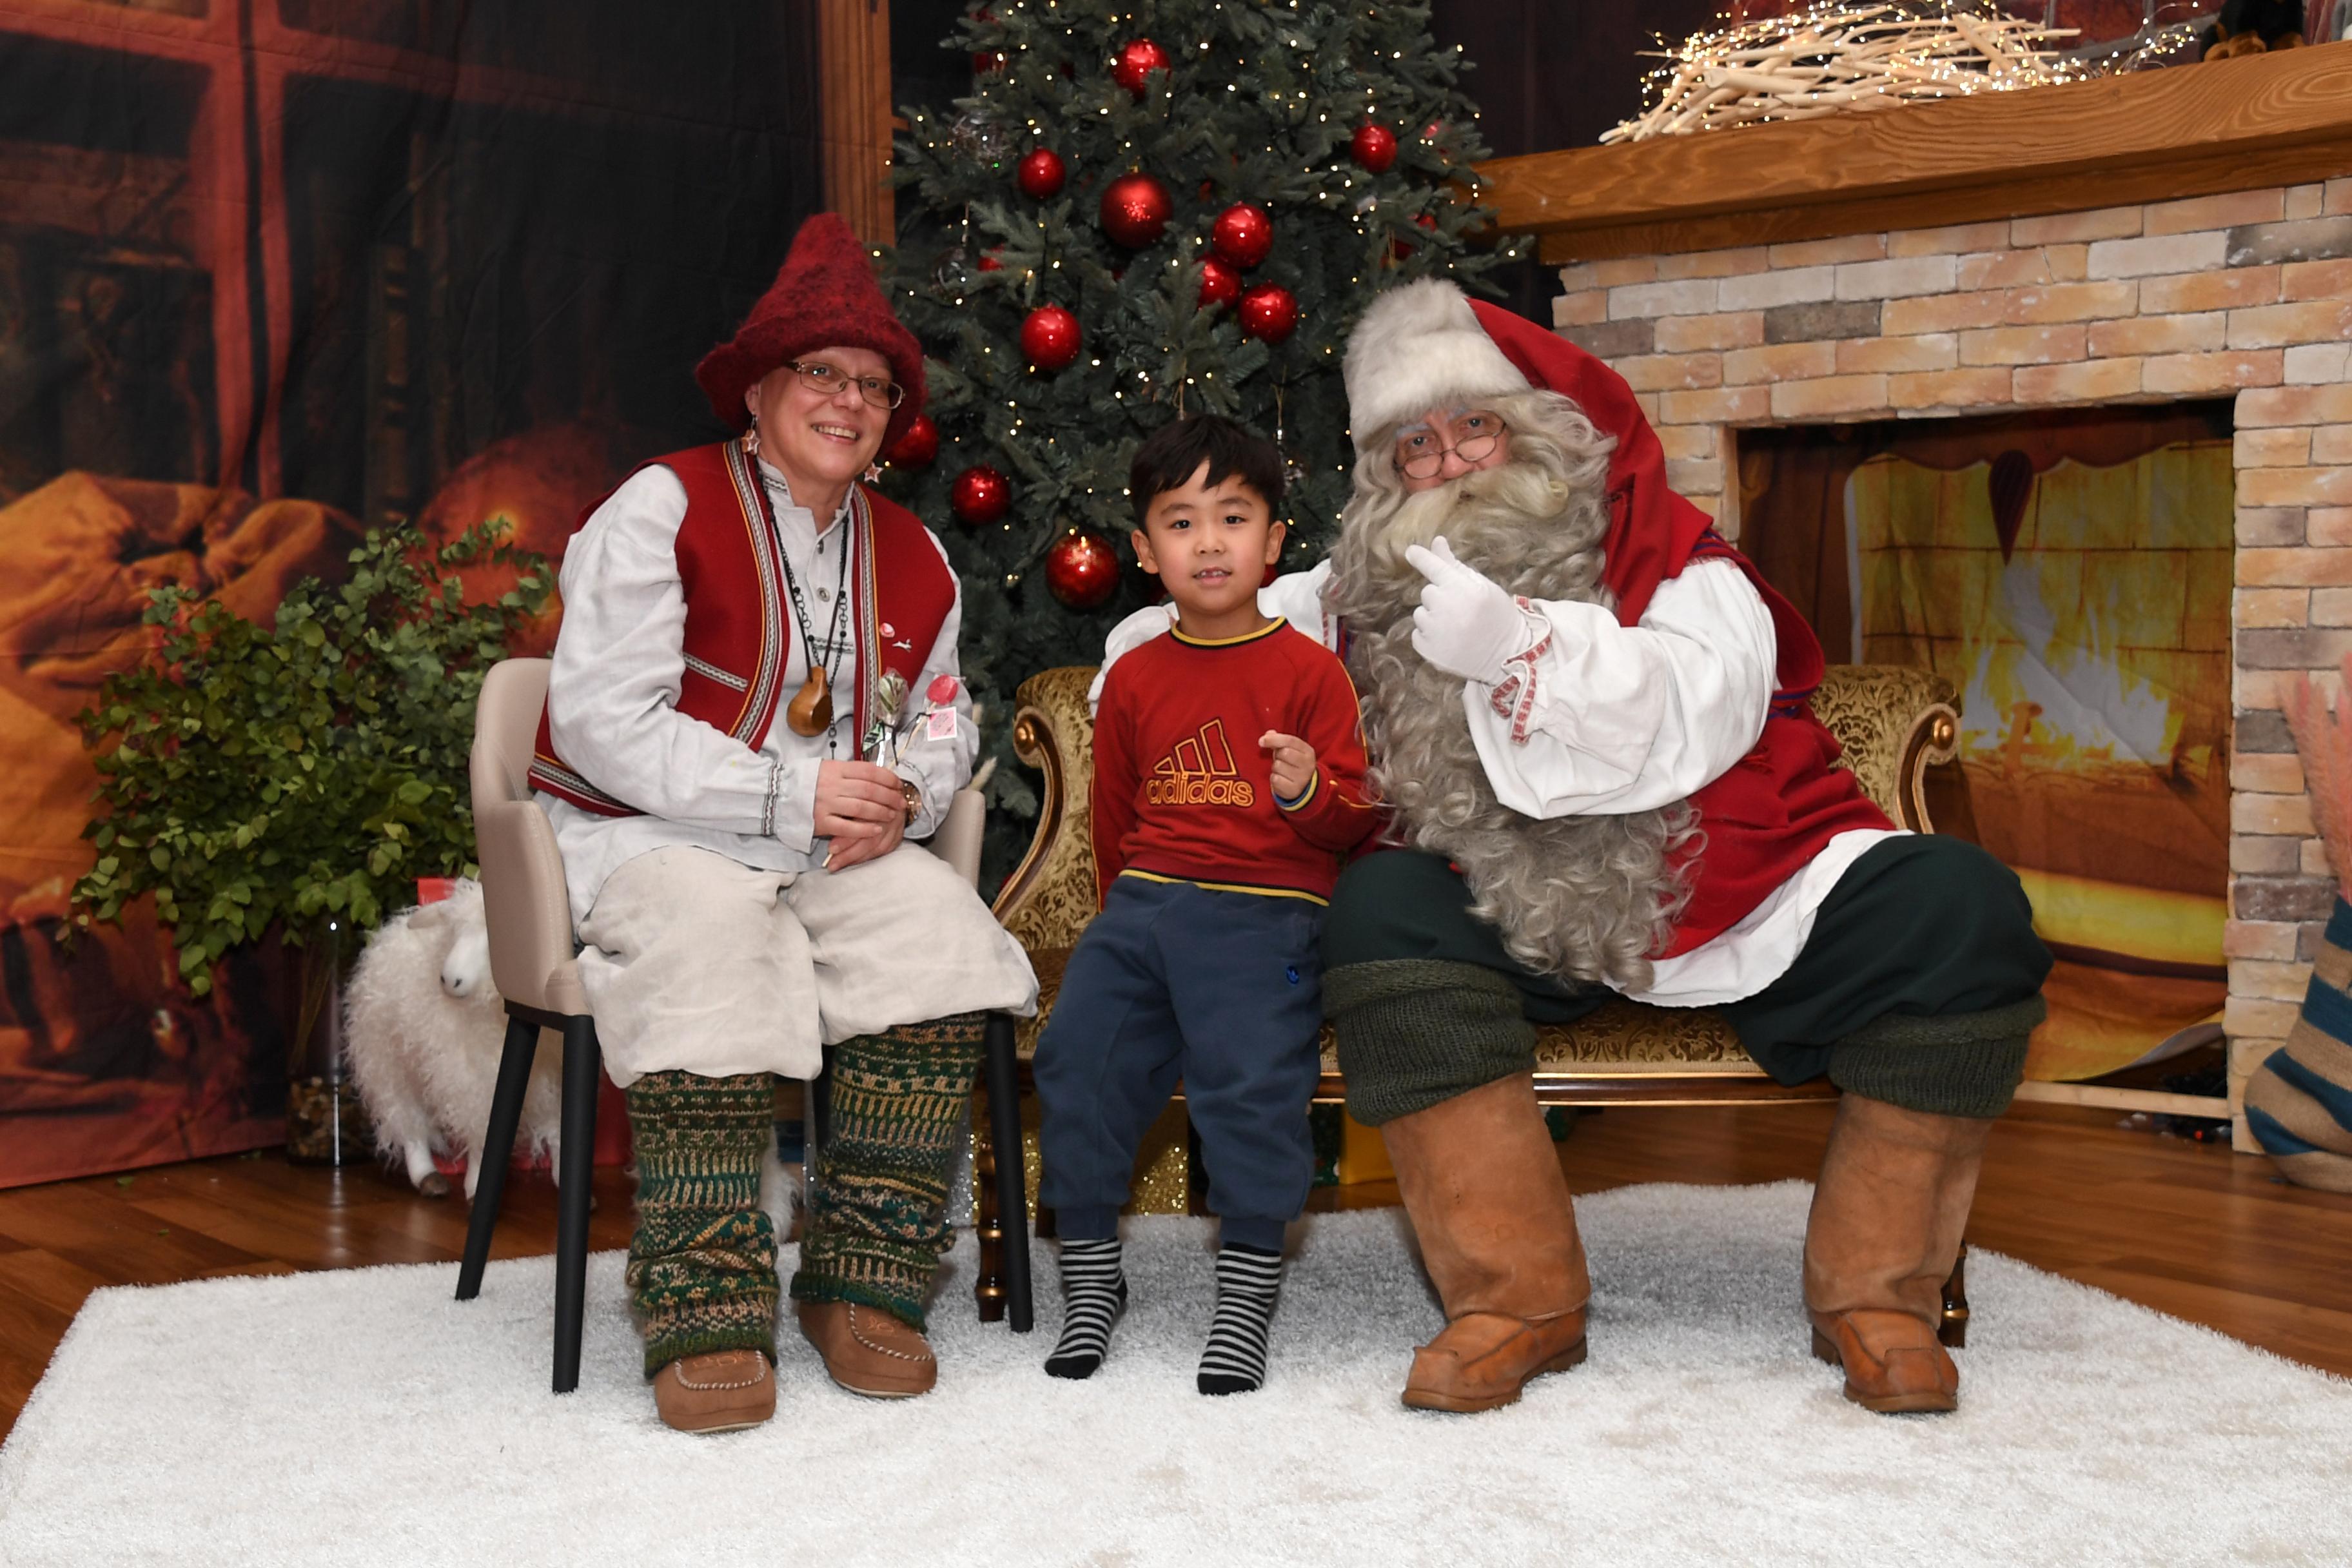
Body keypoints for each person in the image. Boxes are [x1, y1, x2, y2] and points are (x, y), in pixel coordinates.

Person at [1097, 279, 2050, 1418]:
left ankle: (1879, 1296)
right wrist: (1157, 655)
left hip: (1737, 887)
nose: (1451, 464)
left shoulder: (1671, 554)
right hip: (1505, 913)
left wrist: (1519, 647)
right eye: (1417, 447)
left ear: (1538, 431)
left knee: (1963, 906)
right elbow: (1193, 627)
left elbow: (1712, 697)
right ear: (1383, 476)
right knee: (1385, 908)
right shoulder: (1356, 592)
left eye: (1477, 428)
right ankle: (1514, 1299)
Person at [532, 213, 1037, 1434]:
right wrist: (791, 792)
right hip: (652, 836)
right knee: (707, 937)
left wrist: (908, 794)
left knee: (936, 939)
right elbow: (602, 719)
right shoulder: (658, 507)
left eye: (873, 386)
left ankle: (864, 1282)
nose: (851, 402)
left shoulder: (918, 555)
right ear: (758, 392)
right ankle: (704, 1300)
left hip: (829, 850)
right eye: (823, 374)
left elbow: (946, 718)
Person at [1035, 416, 1377, 1396]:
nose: (1211, 541)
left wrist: (1310, 787)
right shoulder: (1135, 676)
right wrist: (1119, 924)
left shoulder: (1312, 673)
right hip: (1142, 910)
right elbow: (1112, 818)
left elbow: (1353, 820)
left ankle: (1244, 1299)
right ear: (1147, 553)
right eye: (1182, 523)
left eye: (1234, 517)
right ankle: (1094, 1281)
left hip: (1266, 916)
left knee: (1250, 1088)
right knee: (1078, 1064)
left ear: (1274, 542)